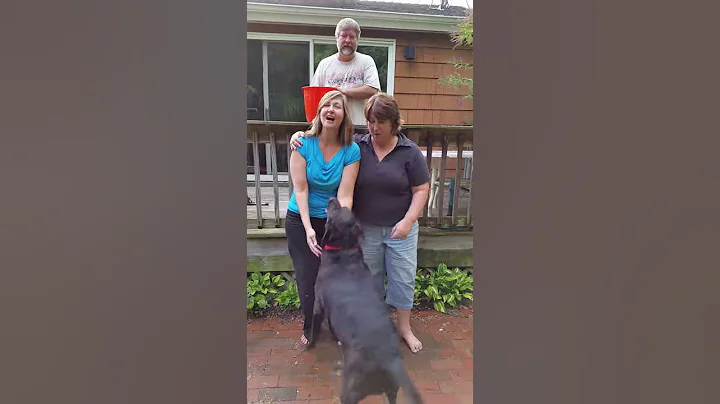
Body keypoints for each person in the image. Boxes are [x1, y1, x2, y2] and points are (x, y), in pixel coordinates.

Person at [290, 93, 431, 353]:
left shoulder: (409, 151)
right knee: (370, 281)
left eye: (380, 122)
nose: (374, 128)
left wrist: (409, 220)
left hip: (400, 229)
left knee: (402, 279)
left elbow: (422, 189)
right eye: (370, 121)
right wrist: (296, 136)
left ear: (394, 123)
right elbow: (327, 136)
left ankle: (404, 328)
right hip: (366, 229)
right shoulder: (358, 145)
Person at [285, 90, 361, 346]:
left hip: (331, 222)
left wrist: (339, 226)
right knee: (307, 278)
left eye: (337, 106)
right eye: (326, 105)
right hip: (300, 220)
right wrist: (308, 229)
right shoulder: (302, 144)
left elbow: (345, 195)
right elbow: (301, 188)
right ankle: (311, 326)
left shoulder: (351, 151)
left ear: (343, 116)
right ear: (319, 112)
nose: (331, 109)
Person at [312, 18, 380, 126]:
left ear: (357, 40)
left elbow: (373, 89)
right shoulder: (324, 64)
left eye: (352, 37)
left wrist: (343, 92)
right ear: (337, 38)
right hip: (330, 130)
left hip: (358, 128)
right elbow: (314, 97)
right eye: (343, 36)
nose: (347, 40)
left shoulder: (366, 61)